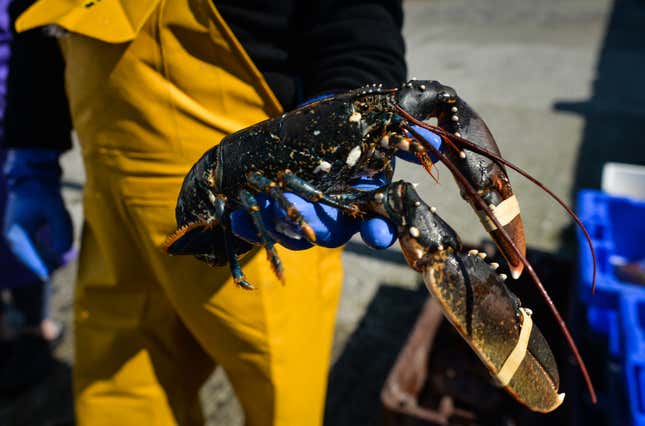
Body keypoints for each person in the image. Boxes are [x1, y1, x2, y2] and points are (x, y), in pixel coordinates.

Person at [4, 0, 436, 424]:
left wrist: (348, 93)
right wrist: (31, 157)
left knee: (278, 390)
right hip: (115, 220)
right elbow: (34, 25)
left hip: (259, 223)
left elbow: (356, 13)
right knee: (120, 390)